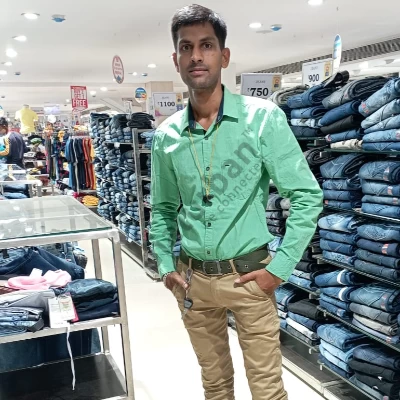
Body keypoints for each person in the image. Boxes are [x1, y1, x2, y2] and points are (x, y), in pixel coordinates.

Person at [150, 5, 323, 400]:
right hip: (193, 281)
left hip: (249, 278)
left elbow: (306, 195)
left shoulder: (262, 119)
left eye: (206, 46)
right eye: (186, 47)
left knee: (267, 389)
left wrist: (279, 269)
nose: (196, 56)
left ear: (224, 56)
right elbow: (162, 209)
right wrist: (165, 267)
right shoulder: (166, 136)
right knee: (214, 385)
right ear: (176, 59)